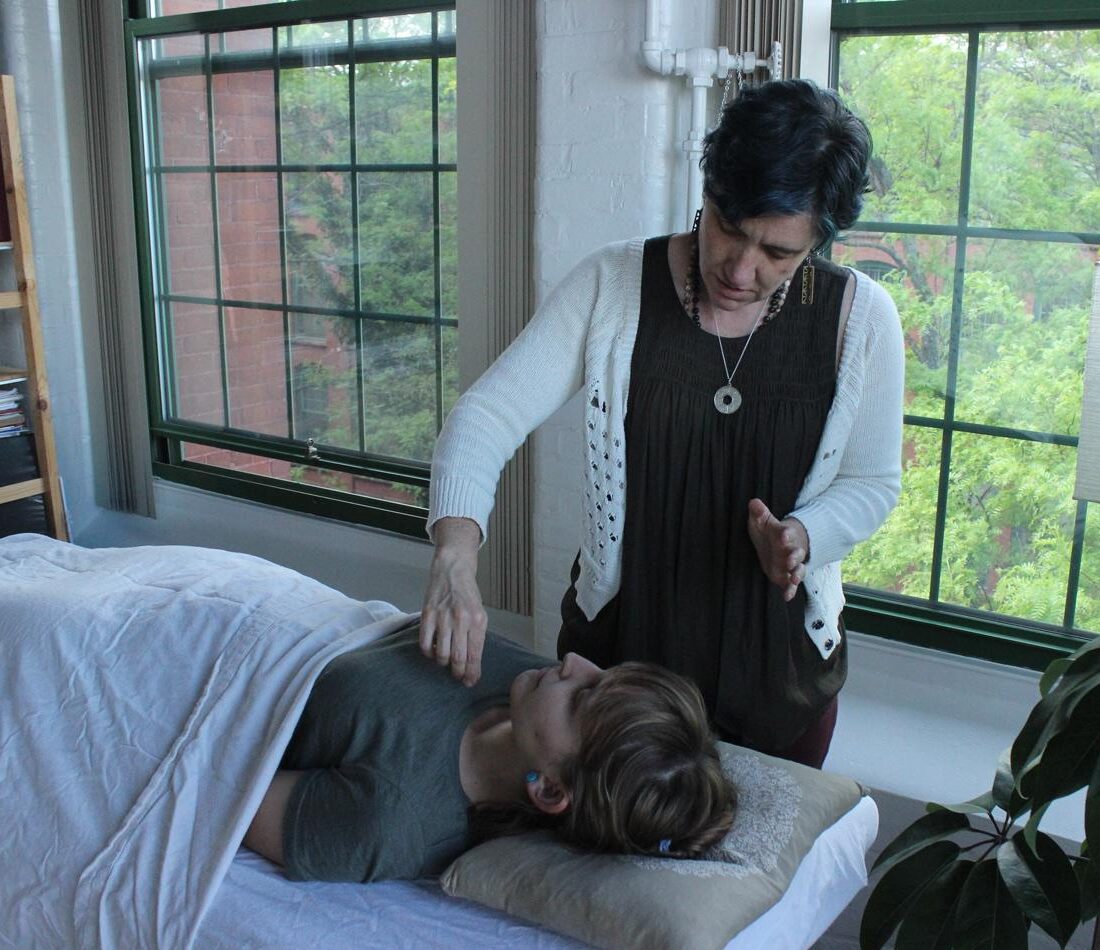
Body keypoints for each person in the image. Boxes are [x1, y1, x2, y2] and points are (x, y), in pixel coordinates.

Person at [421, 79, 904, 769]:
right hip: (612, 683)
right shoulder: (613, 286)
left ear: (818, 242)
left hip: (781, 682)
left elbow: (872, 483)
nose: (742, 269)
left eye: (778, 253)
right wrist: (454, 556)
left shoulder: (860, 319)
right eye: (730, 228)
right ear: (708, 190)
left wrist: (805, 535)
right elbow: (486, 416)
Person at [243, 623, 736, 882]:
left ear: (550, 790)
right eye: (602, 674)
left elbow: (224, 788)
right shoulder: (528, 693)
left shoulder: (389, 820)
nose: (573, 661)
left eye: (582, 698)